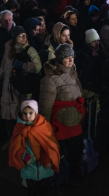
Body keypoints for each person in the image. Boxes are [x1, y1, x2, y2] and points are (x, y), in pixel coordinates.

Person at [39, 43, 85, 182]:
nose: (71, 60)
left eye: (72, 57)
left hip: (74, 124)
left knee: (75, 152)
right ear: (59, 59)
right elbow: (45, 107)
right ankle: (61, 180)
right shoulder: (50, 79)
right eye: (67, 58)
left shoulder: (73, 74)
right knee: (62, 154)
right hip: (59, 125)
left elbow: (79, 94)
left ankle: (72, 176)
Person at [0, 26, 42, 150]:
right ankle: (13, 141)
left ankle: (24, 145)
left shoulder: (29, 50)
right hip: (8, 88)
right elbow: (4, 65)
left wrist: (24, 66)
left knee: (22, 118)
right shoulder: (8, 48)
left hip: (22, 89)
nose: (24, 38)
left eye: (25, 35)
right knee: (9, 119)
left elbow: (38, 67)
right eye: (21, 35)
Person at [9, 100, 60, 196]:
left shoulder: (44, 126)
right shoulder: (19, 128)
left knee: (44, 190)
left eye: (30, 113)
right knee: (31, 191)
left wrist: (50, 159)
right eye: (24, 113)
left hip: (44, 167)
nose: (27, 116)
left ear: (36, 113)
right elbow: (16, 147)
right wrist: (25, 157)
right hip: (29, 168)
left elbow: (52, 145)